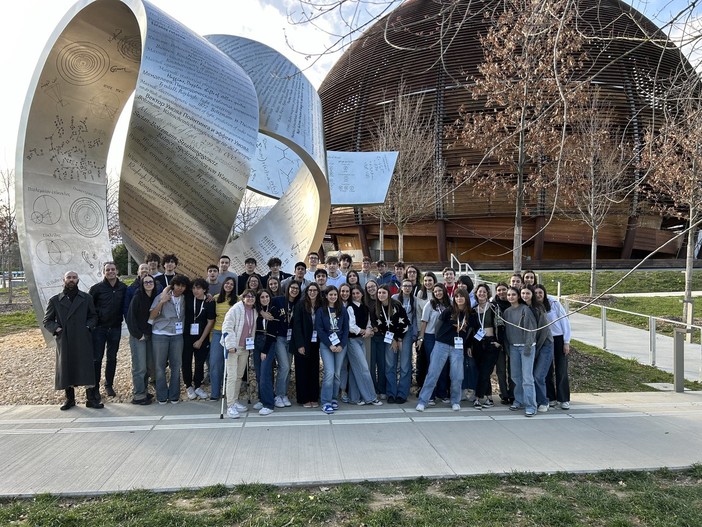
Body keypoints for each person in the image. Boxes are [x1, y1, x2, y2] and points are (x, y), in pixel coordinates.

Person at [43, 271, 99, 410]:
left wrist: (87, 327)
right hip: (65, 339)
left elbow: (93, 316)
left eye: (74, 278)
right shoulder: (55, 300)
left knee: (86, 367)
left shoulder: (86, 298)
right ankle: (70, 399)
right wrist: (57, 329)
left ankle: (90, 399)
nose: (71, 280)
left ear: (78, 280)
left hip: (83, 338)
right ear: (64, 280)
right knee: (66, 367)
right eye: (69, 277)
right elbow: (47, 320)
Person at [416, 288, 473, 412]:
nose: (459, 299)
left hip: (457, 347)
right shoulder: (449, 311)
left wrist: (466, 344)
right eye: (456, 296)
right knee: (433, 373)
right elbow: (438, 329)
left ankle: (455, 401)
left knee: (457, 376)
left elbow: (469, 332)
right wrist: (453, 329)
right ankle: (423, 401)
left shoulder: (470, 314)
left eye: (461, 296)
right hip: (441, 345)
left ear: (466, 298)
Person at [89, 261, 127, 400]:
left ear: (117, 271)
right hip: (99, 329)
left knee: (112, 358)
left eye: (113, 269)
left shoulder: (123, 288)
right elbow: (90, 308)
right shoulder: (96, 289)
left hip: (115, 328)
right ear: (104, 272)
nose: (110, 271)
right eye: (107, 269)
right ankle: (95, 387)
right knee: (97, 359)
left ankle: (109, 384)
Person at [150, 275, 189, 404]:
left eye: (183, 286)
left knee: (176, 365)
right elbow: (152, 316)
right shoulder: (162, 296)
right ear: (173, 285)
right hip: (160, 334)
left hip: (177, 335)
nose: (180, 288)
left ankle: (174, 395)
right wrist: (162, 301)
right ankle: (161, 395)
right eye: (178, 285)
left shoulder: (185, 298)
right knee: (160, 366)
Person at [222, 288, 258, 418]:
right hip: (233, 348)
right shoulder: (235, 309)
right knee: (231, 376)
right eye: (247, 296)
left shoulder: (254, 311)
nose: (250, 298)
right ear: (243, 298)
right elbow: (227, 327)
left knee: (239, 375)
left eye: (252, 296)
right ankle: (230, 406)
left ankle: (235, 400)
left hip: (244, 348)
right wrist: (230, 345)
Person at [534, 284, 572, 410]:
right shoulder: (534, 307)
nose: (538, 295)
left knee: (561, 369)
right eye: (536, 293)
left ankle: (564, 399)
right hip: (545, 340)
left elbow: (564, 321)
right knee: (547, 370)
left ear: (544, 293)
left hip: (558, 338)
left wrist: (566, 341)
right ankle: (551, 397)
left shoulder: (554, 303)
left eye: (541, 292)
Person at [503, 286, 538, 417]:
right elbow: (506, 332)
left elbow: (531, 330)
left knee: (527, 378)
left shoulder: (525, 310)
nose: (510, 297)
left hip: (526, 347)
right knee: (515, 377)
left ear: (518, 296)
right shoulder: (506, 312)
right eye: (509, 295)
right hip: (513, 347)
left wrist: (528, 347)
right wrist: (508, 348)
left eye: (513, 294)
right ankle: (519, 400)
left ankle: (531, 406)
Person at [372, 285, 409, 403]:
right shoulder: (375, 308)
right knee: (389, 365)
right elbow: (381, 327)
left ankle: (402, 394)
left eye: (383, 293)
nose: (381, 295)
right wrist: (393, 340)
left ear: (388, 293)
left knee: (404, 366)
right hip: (388, 338)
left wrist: (398, 339)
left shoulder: (397, 305)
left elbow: (404, 324)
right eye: (379, 293)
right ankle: (391, 393)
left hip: (404, 334)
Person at [346, 284, 382, 406]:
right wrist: (363, 331)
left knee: (355, 369)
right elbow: (351, 327)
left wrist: (368, 329)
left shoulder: (364, 307)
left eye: (358, 293)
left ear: (362, 294)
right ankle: (371, 397)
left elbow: (368, 323)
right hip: (352, 341)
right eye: (354, 293)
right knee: (364, 369)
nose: (356, 295)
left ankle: (354, 398)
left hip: (361, 340)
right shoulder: (350, 308)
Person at [316, 285, 349, 414]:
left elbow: (346, 329)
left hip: (341, 345)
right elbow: (320, 330)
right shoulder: (321, 310)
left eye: (335, 294)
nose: (333, 297)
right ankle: (326, 401)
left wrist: (341, 345)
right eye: (331, 295)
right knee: (329, 372)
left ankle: (334, 398)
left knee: (337, 373)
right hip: (327, 345)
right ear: (326, 296)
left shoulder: (342, 309)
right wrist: (330, 344)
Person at [521, 285, 553, 413]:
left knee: (538, 375)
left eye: (527, 293)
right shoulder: (525, 308)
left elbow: (543, 331)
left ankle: (544, 401)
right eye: (523, 293)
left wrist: (536, 347)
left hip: (544, 344)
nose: (525, 296)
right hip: (534, 345)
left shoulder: (538, 308)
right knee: (531, 375)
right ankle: (535, 400)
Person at [126, 273, 157, 404]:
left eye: (151, 282)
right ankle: (138, 395)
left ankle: (144, 390)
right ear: (142, 284)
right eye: (146, 282)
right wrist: (138, 335)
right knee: (139, 367)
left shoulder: (155, 297)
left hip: (150, 335)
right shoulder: (137, 297)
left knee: (149, 365)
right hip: (138, 336)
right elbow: (130, 318)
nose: (148, 284)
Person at [417, 283, 451, 404]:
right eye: (435, 291)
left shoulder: (450, 303)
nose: (437, 293)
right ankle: (430, 395)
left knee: (444, 365)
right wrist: (421, 338)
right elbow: (424, 322)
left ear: (444, 291)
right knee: (432, 365)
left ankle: (442, 393)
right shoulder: (430, 304)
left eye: (439, 290)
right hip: (430, 337)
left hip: (445, 338)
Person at [468, 284, 501, 408]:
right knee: (482, 371)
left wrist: (499, 341)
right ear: (476, 294)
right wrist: (469, 346)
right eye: (479, 292)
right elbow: (471, 330)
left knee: (485, 370)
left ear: (488, 294)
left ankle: (478, 397)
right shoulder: (473, 310)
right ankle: (489, 398)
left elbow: (501, 325)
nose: (481, 294)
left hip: (491, 342)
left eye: (484, 292)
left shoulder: (494, 308)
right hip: (477, 343)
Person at [183, 278, 216, 401]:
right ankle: (188, 386)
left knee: (199, 362)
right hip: (187, 335)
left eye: (199, 288)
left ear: (204, 289)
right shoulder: (189, 297)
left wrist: (201, 340)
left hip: (202, 336)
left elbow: (210, 321)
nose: (195, 291)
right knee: (186, 361)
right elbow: (172, 287)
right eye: (194, 288)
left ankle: (197, 385)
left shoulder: (209, 302)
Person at [292, 282, 322, 407]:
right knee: (302, 371)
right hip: (303, 342)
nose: (312, 292)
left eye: (315, 290)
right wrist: (300, 344)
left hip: (315, 342)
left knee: (314, 370)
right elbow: (296, 325)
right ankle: (304, 399)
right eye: (310, 290)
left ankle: (314, 397)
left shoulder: (321, 305)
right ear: (307, 291)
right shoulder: (300, 304)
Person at [272, 280, 301, 407]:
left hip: (291, 339)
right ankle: (278, 395)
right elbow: (263, 304)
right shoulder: (278, 300)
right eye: (292, 287)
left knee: (288, 368)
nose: (294, 290)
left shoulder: (298, 304)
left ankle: (284, 395)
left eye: (297, 288)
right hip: (279, 337)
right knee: (283, 366)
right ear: (288, 288)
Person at [209, 277, 237, 401]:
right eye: (227, 283)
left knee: (230, 364)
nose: (229, 286)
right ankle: (215, 393)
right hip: (217, 332)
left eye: (231, 284)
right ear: (223, 284)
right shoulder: (215, 298)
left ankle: (229, 392)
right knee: (215, 363)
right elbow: (212, 317)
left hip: (231, 333)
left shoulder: (238, 300)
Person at [390, 279, 418, 403]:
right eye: (405, 286)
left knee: (405, 363)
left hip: (408, 331)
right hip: (394, 330)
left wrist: (415, 335)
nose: (407, 288)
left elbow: (417, 318)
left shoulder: (415, 300)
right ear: (401, 287)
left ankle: (402, 393)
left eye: (409, 286)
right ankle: (391, 391)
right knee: (391, 361)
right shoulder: (394, 298)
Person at [252, 289, 279, 415]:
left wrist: (265, 350)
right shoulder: (255, 310)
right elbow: (243, 297)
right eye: (262, 297)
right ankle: (262, 399)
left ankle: (269, 404)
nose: (265, 299)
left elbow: (273, 332)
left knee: (265, 374)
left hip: (268, 343)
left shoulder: (273, 309)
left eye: (267, 296)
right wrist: (260, 311)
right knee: (258, 373)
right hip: (256, 342)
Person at [492, 281, 513, 404]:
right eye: (499, 290)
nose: (501, 292)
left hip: (511, 340)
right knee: (500, 369)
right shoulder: (493, 305)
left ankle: (513, 393)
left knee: (512, 369)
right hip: (498, 341)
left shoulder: (514, 303)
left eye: (504, 289)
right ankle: (504, 394)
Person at [365, 279, 385, 398]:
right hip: (370, 337)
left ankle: (382, 389)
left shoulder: (383, 300)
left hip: (382, 337)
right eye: (368, 288)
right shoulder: (366, 302)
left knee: (382, 364)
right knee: (371, 364)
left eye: (373, 286)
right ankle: (372, 388)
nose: (371, 289)